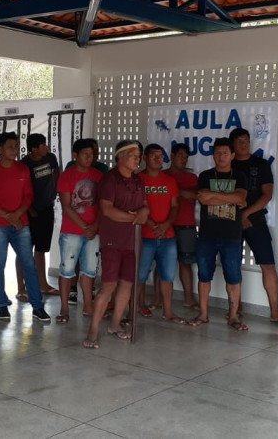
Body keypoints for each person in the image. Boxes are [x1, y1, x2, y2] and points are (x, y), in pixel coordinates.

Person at [83, 140, 148, 348]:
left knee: (127, 284)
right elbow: (108, 210)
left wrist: (141, 214)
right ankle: (92, 331)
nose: (137, 158)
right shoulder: (110, 180)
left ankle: (115, 324)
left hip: (133, 241)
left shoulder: (138, 181)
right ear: (120, 156)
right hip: (113, 240)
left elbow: (145, 207)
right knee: (108, 285)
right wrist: (134, 218)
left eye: (138, 155)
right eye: (132, 155)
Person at [0, 132, 51, 324]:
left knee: (29, 264)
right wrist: (11, 217)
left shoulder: (22, 169)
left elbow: (28, 196)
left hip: (21, 223)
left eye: (16, 146)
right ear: (0, 148)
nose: (15, 150)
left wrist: (17, 214)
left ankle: (37, 306)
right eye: (11, 146)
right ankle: (1, 304)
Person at [229, 128, 278, 328]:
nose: (244, 143)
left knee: (268, 264)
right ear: (232, 144)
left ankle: (274, 312)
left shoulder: (261, 163)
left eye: (246, 140)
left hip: (255, 219)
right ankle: (235, 310)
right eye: (239, 141)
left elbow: (267, 195)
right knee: (232, 266)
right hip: (230, 220)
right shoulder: (227, 164)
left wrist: (246, 214)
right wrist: (239, 217)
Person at [190, 138, 249, 331]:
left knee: (233, 276)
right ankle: (203, 314)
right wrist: (230, 199)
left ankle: (233, 317)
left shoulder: (240, 176)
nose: (221, 156)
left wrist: (215, 197)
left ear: (232, 155)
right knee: (204, 275)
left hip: (232, 235)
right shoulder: (206, 175)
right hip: (207, 234)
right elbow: (203, 200)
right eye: (217, 152)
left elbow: (240, 198)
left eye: (225, 152)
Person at [137, 144, 185, 324]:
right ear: (144, 158)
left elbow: (175, 207)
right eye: (154, 156)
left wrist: (165, 225)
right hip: (144, 236)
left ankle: (168, 311)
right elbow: (135, 208)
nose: (159, 159)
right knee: (139, 276)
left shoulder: (169, 181)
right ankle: (139, 306)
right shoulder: (137, 179)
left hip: (168, 237)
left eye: (161, 155)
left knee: (167, 276)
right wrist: (152, 224)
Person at [55, 138, 103, 322]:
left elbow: (102, 205)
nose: (89, 158)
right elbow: (67, 206)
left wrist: (95, 226)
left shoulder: (99, 176)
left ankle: (88, 306)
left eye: (91, 155)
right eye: (85, 154)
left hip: (93, 231)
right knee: (67, 270)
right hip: (72, 231)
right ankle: (64, 308)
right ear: (75, 155)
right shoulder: (67, 176)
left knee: (90, 270)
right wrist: (85, 227)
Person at [19, 133, 60, 297]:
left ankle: (43, 284)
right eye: (43, 145)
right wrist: (29, 209)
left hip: (46, 209)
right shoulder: (24, 164)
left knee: (41, 249)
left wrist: (55, 191)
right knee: (24, 250)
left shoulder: (50, 158)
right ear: (34, 149)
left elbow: (57, 173)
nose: (47, 147)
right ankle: (21, 288)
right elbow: (20, 190)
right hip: (29, 211)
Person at [165, 142, 199, 309]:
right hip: (165, 224)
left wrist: (173, 189)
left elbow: (195, 196)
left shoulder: (192, 177)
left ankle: (189, 299)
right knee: (163, 263)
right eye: (180, 156)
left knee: (186, 263)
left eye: (186, 157)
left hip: (187, 224)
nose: (184, 160)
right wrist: (180, 192)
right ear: (171, 156)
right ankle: (158, 300)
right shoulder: (162, 175)